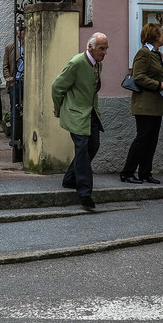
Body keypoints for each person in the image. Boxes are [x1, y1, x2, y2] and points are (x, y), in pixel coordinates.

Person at [52, 33, 108, 211]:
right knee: (82, 149)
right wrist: (58, 108)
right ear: (90, 47)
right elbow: (57, 87)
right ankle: (85, 194)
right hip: (75, 114)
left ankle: (69, 179)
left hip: (91, 113)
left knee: (93, 146)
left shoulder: (98, 64)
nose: (105, 52)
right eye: (102, 48)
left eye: (106, 48)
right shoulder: (76, 62)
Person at [120, 22, 163, 185]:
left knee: (151, 140)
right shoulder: (144, 53)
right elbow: (139, 77)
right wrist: (158, 85)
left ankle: (145, 172)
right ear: (154, 36)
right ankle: (127, 172)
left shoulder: (156, 54)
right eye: (161, 33)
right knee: (142, 139)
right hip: (144, 105)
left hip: (155, 104)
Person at [3, 24, 25, 138]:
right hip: (15, 82)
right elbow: (5, 66)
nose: (22, 33)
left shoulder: (31, 45)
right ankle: (15, 136)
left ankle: (25, 133)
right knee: (14, 108)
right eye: (20, 30)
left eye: (24, 30)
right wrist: (10, 80)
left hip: (28, 82)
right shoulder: (10, 47)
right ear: (17, 33)